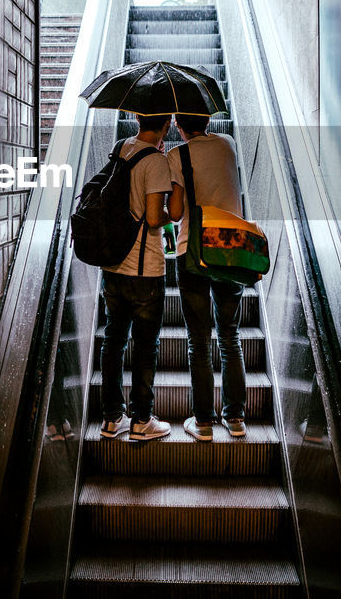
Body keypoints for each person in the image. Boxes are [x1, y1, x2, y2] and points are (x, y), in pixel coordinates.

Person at [166, 112, 248, 442]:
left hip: (193, 252)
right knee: (230, 336)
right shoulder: (228, 144)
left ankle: (202, 424)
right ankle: (236, 418)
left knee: (198, 342)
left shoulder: (177, 155)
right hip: (230, 250)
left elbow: (174, 213)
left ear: (177, 124)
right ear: (208, 118)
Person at [99, 112, 177, 442]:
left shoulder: (121, 148)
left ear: (135, 116)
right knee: (146, 346)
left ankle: (111, 418)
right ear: (168, 123)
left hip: (113, 266)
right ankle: (142, 420)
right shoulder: (156, 162)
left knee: (114, 339)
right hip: (145, 270)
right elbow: (156, 218)